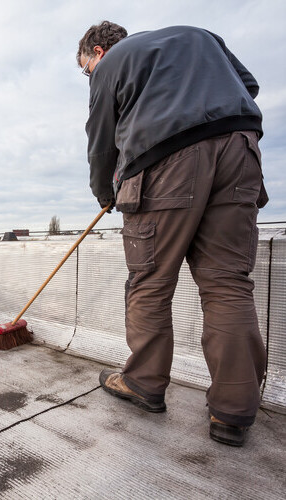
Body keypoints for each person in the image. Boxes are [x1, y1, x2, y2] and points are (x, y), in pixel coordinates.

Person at [77, 21, 268, 447]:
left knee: (150, 281)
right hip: (240, 150)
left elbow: (101, 141)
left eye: (85, 69)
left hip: (164, 162)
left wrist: (103, 193)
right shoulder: (200, 36)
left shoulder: (111, 66)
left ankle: (143, 383)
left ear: (96, 51)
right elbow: (249, 85)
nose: (90, 76)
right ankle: (233, 412)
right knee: (227, 284)